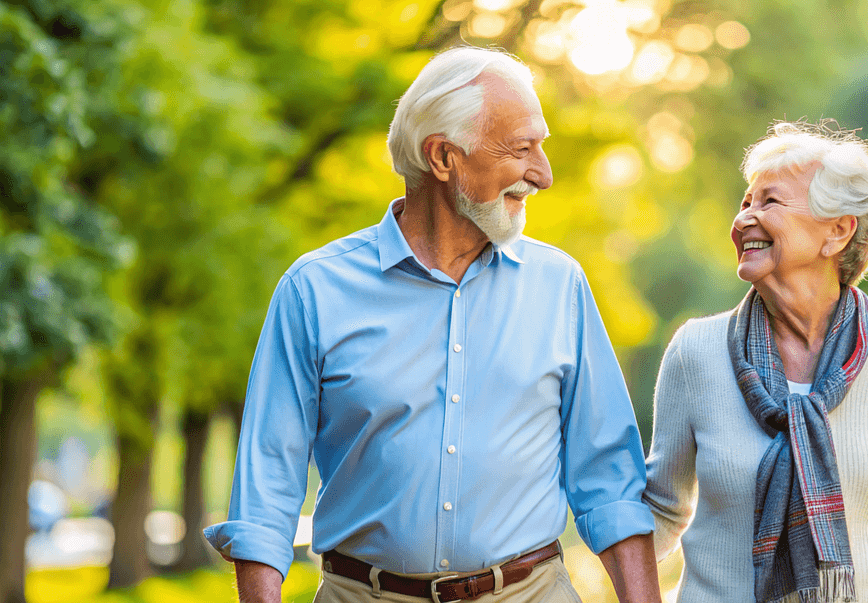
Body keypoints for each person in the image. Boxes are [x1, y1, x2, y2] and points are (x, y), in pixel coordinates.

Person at [205, 46, 661, 603]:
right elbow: (265, 490)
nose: (542, 175)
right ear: (444, 158)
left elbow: (609, 480)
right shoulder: (314, 290)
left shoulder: (559, 285)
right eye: (522, 150)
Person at [643, 122, 868, 603]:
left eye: (769, 202)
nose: (743, 219)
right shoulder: (696, 351)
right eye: (745, 202)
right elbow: (660, 509)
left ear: (837, 231)